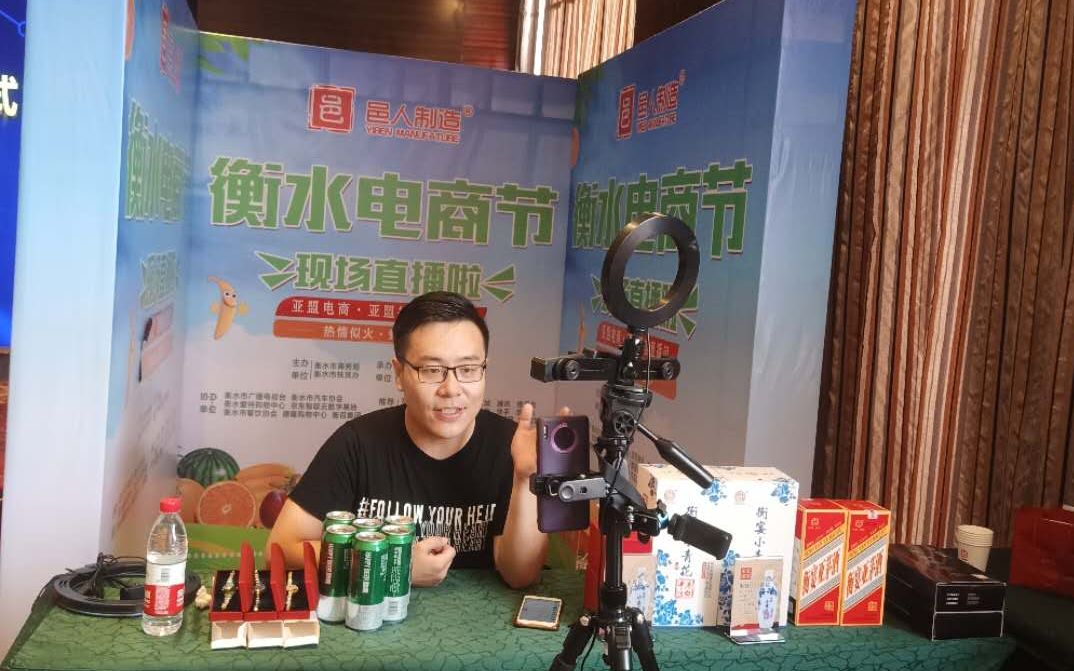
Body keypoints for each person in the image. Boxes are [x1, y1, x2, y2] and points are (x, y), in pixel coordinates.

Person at [269, 291, 557, 589]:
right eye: (432, 370)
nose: (451, 389)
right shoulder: (356, 444)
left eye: (468, 369)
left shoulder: (511, 447)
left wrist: (524, 479)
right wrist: (394, 565)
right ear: (398, 374)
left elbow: (519, 575)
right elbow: (282, 550)